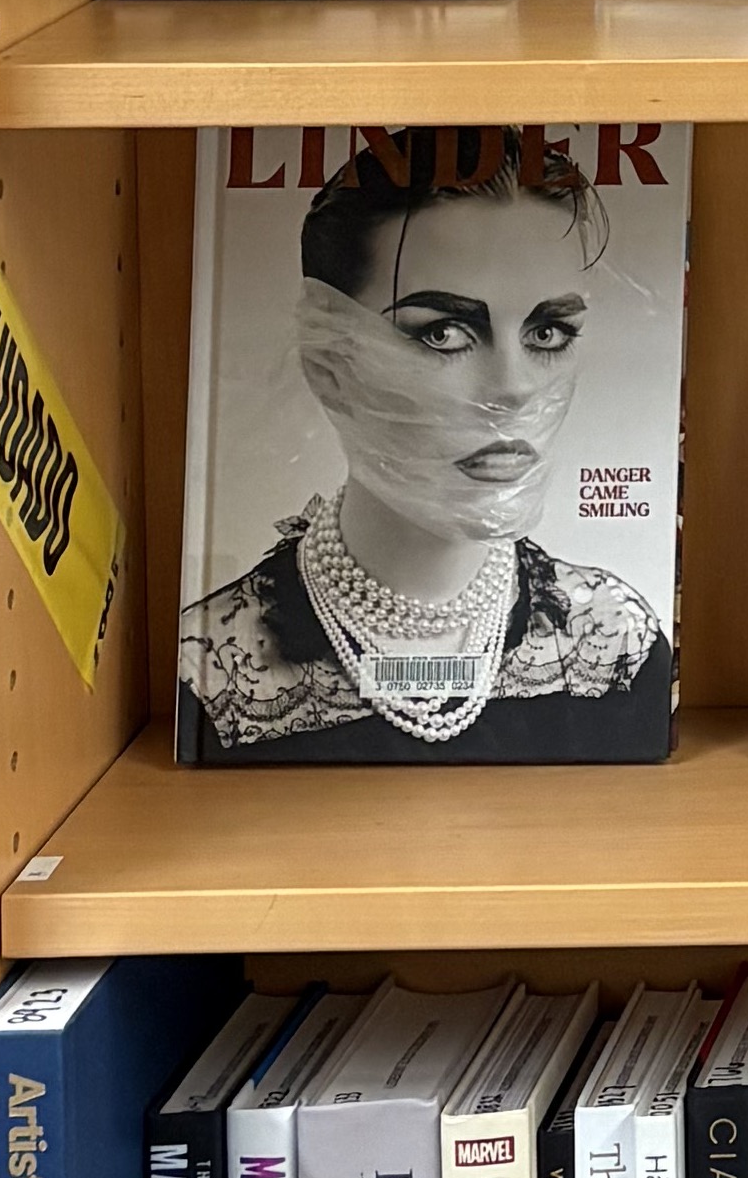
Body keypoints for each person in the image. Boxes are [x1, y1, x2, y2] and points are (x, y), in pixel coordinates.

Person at [178, 135, 668, 761]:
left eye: (548, 331)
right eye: (442, 333)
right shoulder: (216, 679)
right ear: (330, 362)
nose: (513, 390)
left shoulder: (615, 644)